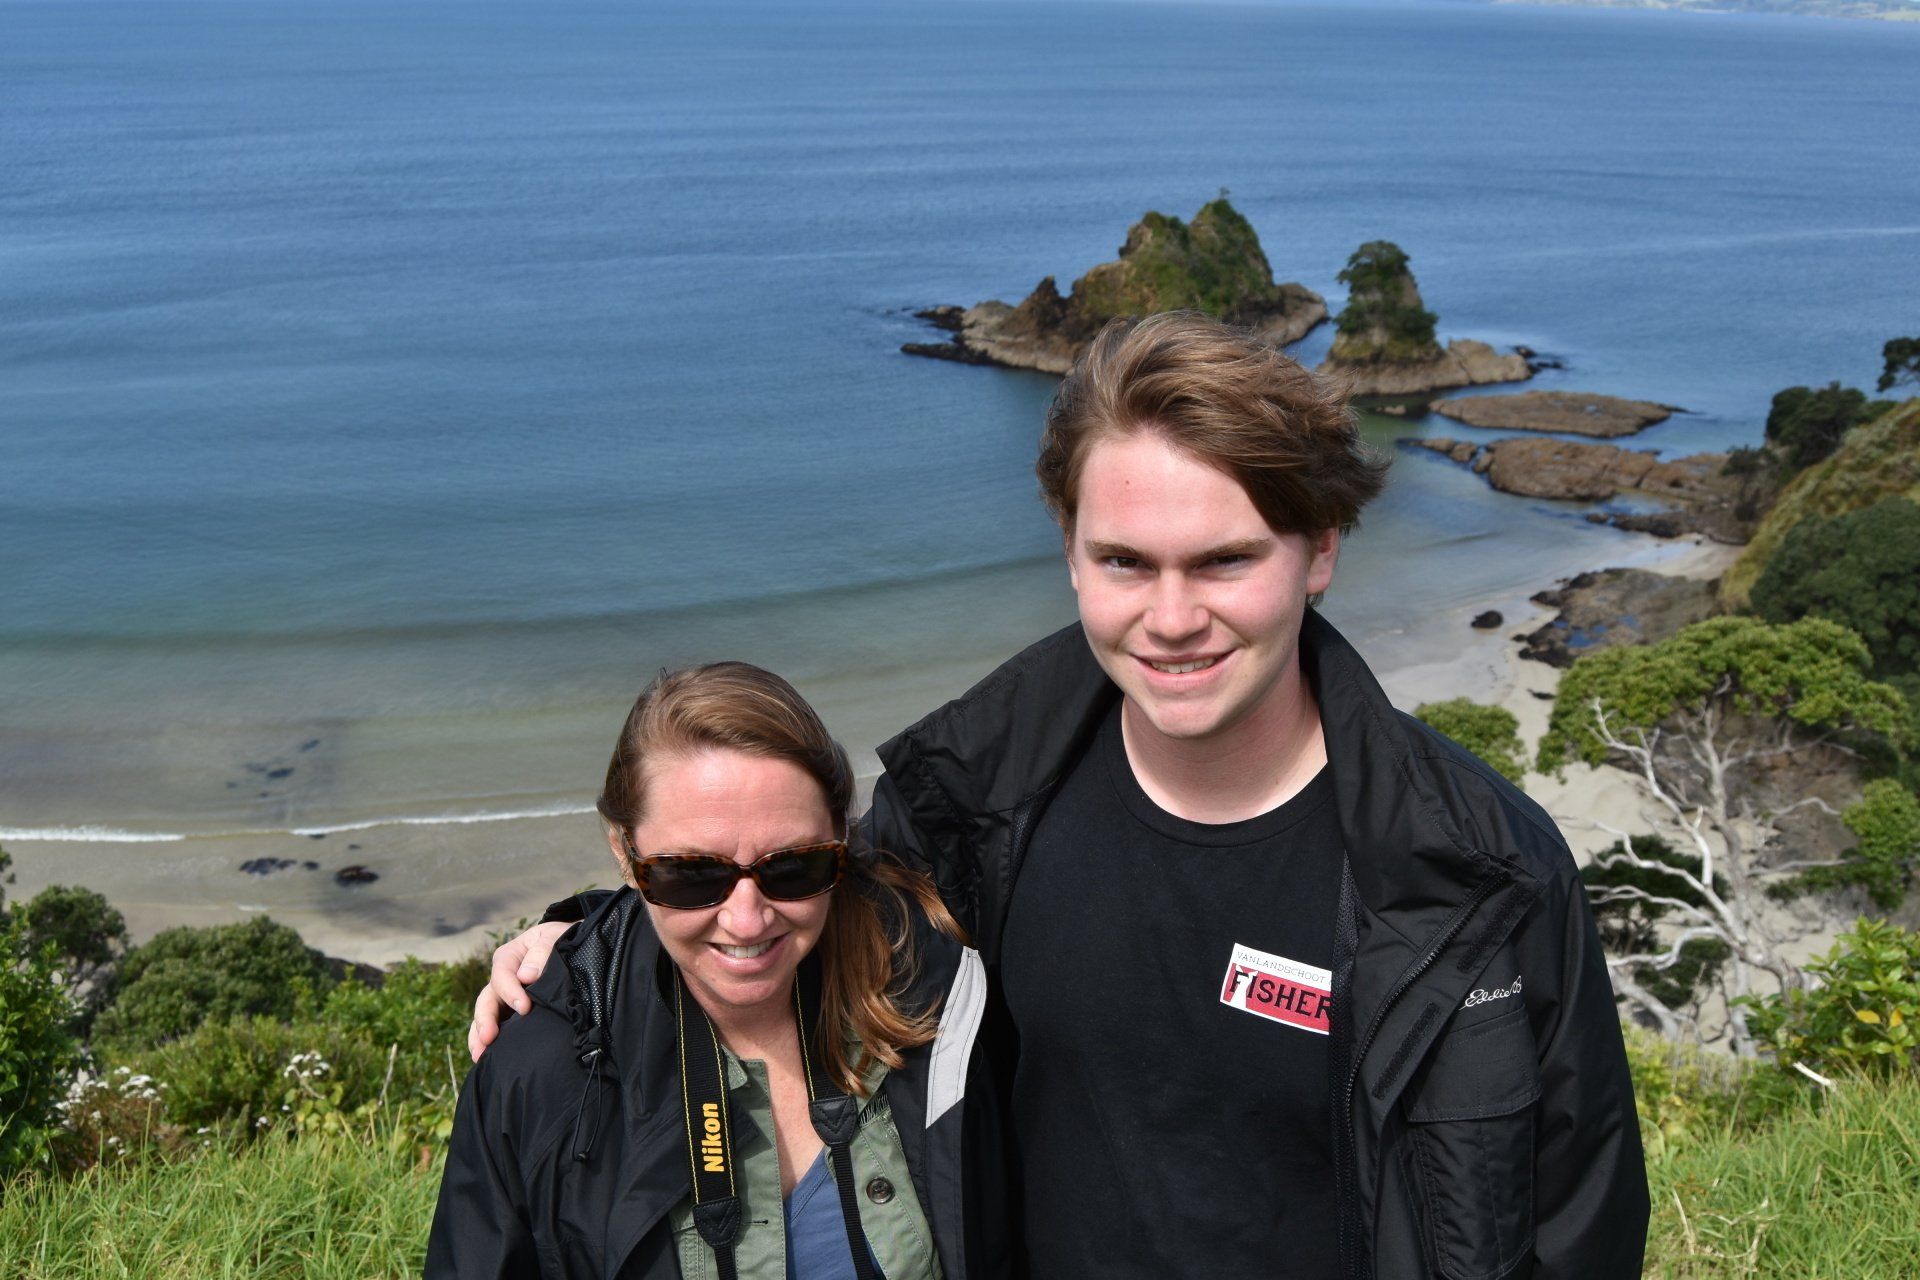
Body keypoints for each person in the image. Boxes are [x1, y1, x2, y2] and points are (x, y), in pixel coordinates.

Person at [473, 313, 1650, 1277]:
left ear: (1321, 548)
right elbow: (771, 892)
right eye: (1125, 561)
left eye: (1226, 559)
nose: (1173, 616)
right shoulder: (975, 807)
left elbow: (1577, 1227)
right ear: (1068, 546)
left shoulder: (1480, 873)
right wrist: (585, 946)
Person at [429, 661, 1006, 1279]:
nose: (747, 920)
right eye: (692, 875)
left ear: (841, 838)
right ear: (625, 853)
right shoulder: (541, 1078)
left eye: (793, 868)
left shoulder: (935, 986)